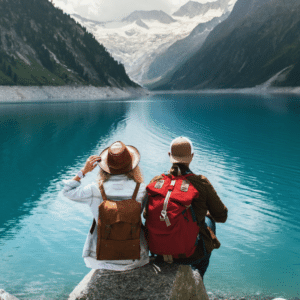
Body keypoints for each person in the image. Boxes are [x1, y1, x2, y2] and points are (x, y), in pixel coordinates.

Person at [144, 136, 228, 279]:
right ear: (192, 157)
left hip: (158, 251)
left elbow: (147, 214)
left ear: (169, 155)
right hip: (191, 255)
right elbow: (222, 216)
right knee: (209, 221)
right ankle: (197, 280)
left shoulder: (157, 181)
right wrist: (205, 213)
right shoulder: (200, 182)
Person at [62, 141, 149, 271]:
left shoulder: (94, 189)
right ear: (132, 166)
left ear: (105, 166)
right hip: (135, 258)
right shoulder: (141, 189)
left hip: (102, 260)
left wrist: (83, 171)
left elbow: (67, 192)